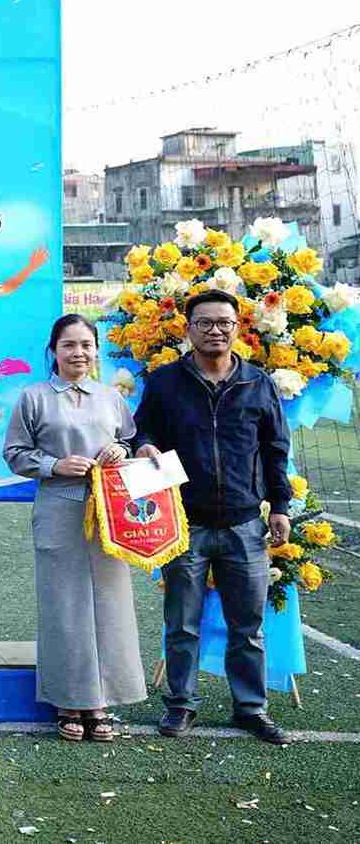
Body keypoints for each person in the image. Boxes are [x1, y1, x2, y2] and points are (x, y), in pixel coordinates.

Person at [134, 288, 293, 745]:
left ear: (237, 327)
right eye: (204, 323)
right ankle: (181, 705)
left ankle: (251, 707)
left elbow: (275, 449)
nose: (215, 330)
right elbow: (141, 431)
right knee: (182, 625)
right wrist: (144, 445)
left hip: (245, 524)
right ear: (188, 329)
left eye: (224, 322)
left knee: (248, 626)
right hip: (184, 523)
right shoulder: (165, 382)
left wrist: (280, 506)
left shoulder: (257, 383)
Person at [3, 314, 145, 741]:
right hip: (59, 506)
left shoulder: (111, 397)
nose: (78, 353)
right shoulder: (33, 397)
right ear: (54, 351)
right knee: (64, 605)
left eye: (86, 344)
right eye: (69, 345)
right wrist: (54, 465)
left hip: (109, 511)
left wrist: (120, 450)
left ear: (96, 350)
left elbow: (131, 440)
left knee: (110, 603)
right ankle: (68, 699)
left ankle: (101, 700)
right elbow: (15, 452)